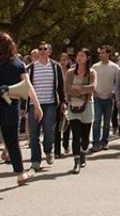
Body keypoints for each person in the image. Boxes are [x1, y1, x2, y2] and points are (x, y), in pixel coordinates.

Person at [0, 32, 40, 196]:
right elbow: (27, 87)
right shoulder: (18, 63)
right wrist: (37, 106)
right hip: (10, 107)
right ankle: (20, 176)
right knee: (12, 143)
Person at [26, 42, 64, 171]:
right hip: (34, 104)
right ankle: (35, 160)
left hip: (50, 104)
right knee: (34, 133)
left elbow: (60, 87)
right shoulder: (30, 68)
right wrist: (23, 106)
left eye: (45, 49)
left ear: (49, 51)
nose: (42, 51)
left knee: (49, 130)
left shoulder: (55, 66)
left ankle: (48, 150)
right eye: (40, 49)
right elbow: (25, 86)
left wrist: (63, 102)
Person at [65, 48, 96, 172]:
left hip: (87, 105)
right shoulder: (70, 72)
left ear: (87, 58)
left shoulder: (92, 72)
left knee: (85, 137)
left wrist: (77, 88)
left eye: (82, 55)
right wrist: (82, 90)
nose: (79, 57)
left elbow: (92, 88)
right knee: (76, 135)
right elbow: (67, 89)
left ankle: (83, 152)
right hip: (73, 106)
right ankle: (76, 161)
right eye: (78, 55)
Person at [90, 45, 118, 152]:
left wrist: (114, 91)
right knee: (97, 120)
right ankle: (95, 143)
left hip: (109, 98)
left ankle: (105, 142)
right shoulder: (95, 67)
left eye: (103, 53)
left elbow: (117, 82)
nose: (101, 55)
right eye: (99, 53)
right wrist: (93, 91)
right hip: (97, 97)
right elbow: (90, 79)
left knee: (107, 122)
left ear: (108, 54)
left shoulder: (114, 67)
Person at [56, 51, 72, 156]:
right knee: (57, 125)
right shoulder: (56, 71)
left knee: (67, 123)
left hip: (69, 100)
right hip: (57, 101)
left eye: (65, 60)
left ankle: (66, 144)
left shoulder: (71, 72)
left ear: (68, 61)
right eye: (61, 60)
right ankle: (57, 151)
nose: (63, 62)